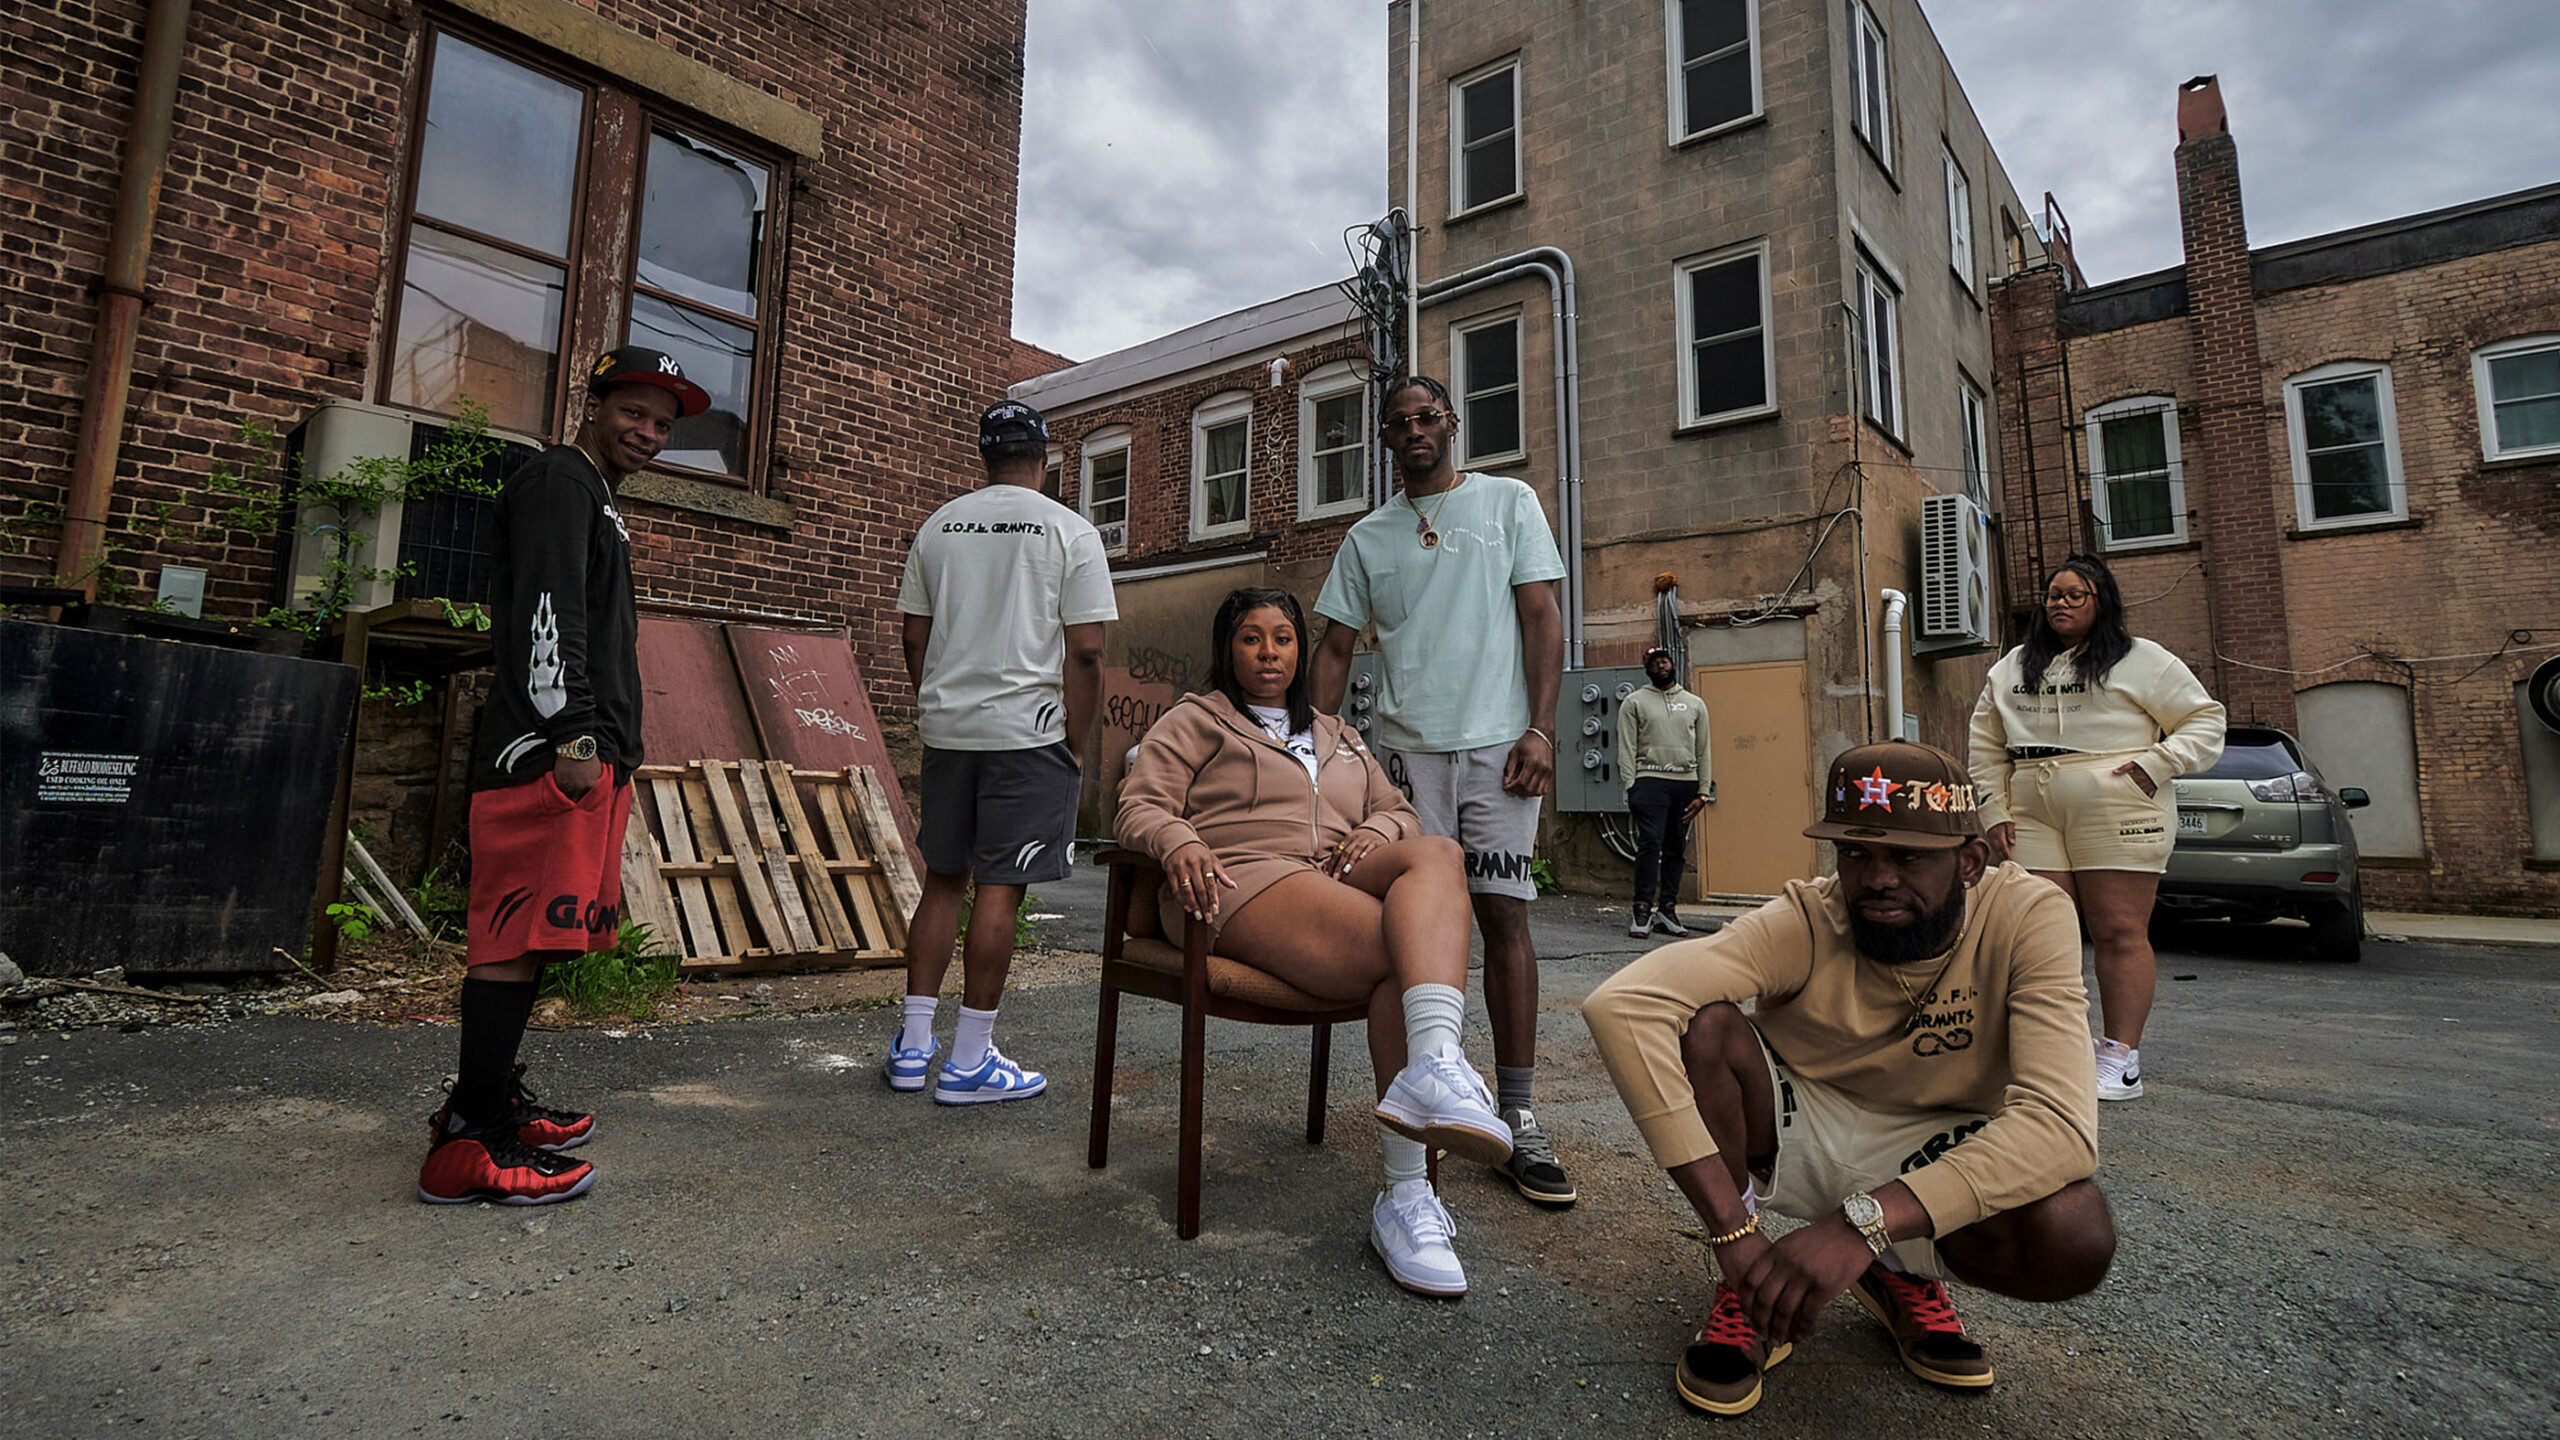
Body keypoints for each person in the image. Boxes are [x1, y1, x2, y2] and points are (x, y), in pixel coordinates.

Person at [1582, 739, 2116, 1416]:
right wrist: (1734, 1240)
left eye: (1908, 856)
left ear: (1971, 862)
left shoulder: (2029, 917)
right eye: (1856, 853)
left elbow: (2062, 1129)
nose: (1877, 878)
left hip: (1937, 1142)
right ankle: (1749, 1283)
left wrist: (1861, 1226)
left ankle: (1898, 1268)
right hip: (1800, 1124)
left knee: (2074, 1232)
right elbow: (1622, 1005)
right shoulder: (1811, 916)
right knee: (1707, 1027)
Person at [1117, 587, 1513, 1297]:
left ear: (1301, 652)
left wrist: (1378, 829)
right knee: (1408, 955)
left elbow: (1401, 812)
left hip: (1330, 878)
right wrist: (1175, 838)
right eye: (1251, 638)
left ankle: (1429, 1095)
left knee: (1441, 857)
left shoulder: (1339, 733)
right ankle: (1408, 1185)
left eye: (1283, 639)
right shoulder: (1196, 718)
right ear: (1227, 648)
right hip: (1231, 880)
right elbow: (1140, 803)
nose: (1269, 652)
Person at [420, 345, 709, 1205]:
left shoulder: (594, 495)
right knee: (511, 941)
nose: (649, 432)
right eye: (635, 412)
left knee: (538, 938)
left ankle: (485, 1101)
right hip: (548, 756)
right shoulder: (560, 481)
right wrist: (576, 740)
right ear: (594, 402)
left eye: (663, 423)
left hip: (586, 754)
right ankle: (471, 1144)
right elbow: (548, 612)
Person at [1311, 375, 1575, 1209]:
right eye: (1399, 423)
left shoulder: (1507, 503)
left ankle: (1520, 1113)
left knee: (1504, 915)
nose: (1415, 431)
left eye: (1428, 418)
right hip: (1405, 761)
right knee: (1412, 931)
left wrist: (1541, 730)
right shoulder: (1367, 538)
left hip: (1499, 750)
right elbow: (1333, 647)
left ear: (1452, 424)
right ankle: (1433, 1100)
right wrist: (1312, 754)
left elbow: (1542, 616)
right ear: (1384, 439)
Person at [886, 400, 1115, 1104]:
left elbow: (913, 637)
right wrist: (1076, 744)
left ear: (983, 456)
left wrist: (938, 704)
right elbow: (1086, 650)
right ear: (1045, 461)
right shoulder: (1070, 531)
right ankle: (969, 1061)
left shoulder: (938, 527)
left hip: (951, 730)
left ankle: (912, 1047)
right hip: (1029, 733)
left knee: (943, 880)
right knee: (999, 889)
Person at [1967, 554, 2225, 1102]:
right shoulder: (2011, 667)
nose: (2059, 603)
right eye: (2052, 595)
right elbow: (1985, 746)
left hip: (2119, 805)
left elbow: (2205, 720)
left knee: (2118, 931)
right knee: (2039, 932)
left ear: (2100, 602)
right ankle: (2050, 1050)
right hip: (2031, 803)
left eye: (2073, 595)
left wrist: (2155, 765)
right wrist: (1993, 811)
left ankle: (2119, 1058)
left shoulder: (2142, 660)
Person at [1617, 645, 1714, 939]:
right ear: (1646, 669)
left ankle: (1668, 910)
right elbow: (1626, 747)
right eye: (1654, 662)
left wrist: (1704, 792)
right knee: (1650, 846)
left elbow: (1704, 749)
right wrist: (1631, 785)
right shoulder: (1634, 702)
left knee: (1676, 849)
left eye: (1665, 660)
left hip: (1685, 784)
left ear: (1673, 665)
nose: (1661, 665)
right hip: (1650, 782)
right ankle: (1642, 910)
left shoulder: (1695, 704)